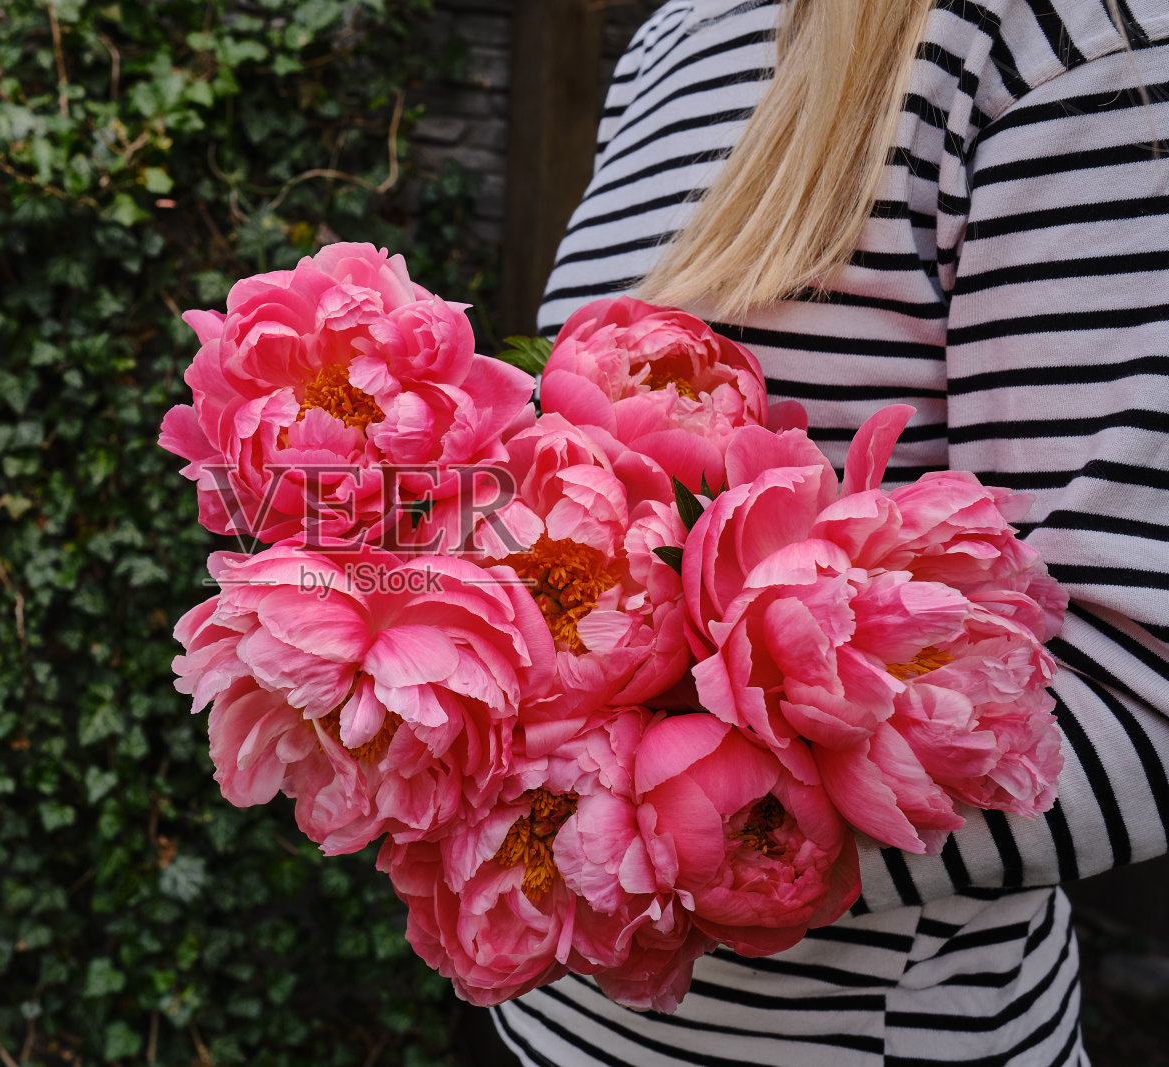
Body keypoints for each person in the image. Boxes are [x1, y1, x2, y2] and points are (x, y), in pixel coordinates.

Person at [491, 0, 1169, 1063]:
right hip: (564, 1025)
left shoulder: (1052, 36)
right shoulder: (674, 31)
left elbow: (1142, 693)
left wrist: (640, 836)